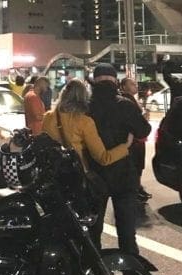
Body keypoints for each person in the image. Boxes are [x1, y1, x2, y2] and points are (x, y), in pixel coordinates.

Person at [43, 79, 134, 249]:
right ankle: (90, 268)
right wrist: (125, 146)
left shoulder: (48, 118)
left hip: (55, 181)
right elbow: (103, 157)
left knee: (63, 228)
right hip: (78, 182)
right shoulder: (84, 122)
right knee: (90, 231)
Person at [86, 64, 151, 255]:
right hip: (124, 173)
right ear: (115, 81)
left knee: (93, 229)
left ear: (94, 82)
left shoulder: (86, 107)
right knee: (126, 230)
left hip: (94, 174)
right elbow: (143, 130)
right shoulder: (125, 104)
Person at [120, 77, 153, 202]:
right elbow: (134, 121)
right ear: (123, 87)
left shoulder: (131, 99)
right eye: (132, 84)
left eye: (135, 84)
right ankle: (136, 189)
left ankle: (137, 188)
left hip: (137, 139)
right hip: (134, 140)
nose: (136, 86)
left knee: (138, 165)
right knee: (136, 165)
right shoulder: (126, 100)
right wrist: (143, 117)